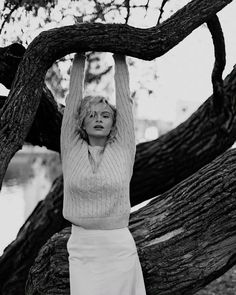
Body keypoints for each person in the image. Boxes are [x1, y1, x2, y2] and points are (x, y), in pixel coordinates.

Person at [60, 52, 146, 295]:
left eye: (105, 115)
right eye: (92, 115)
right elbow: (73, 98)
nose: (99, 119)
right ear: (82, 123)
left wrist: (119, 56)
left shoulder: (123, 147)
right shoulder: (72, 147)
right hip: (82, 248)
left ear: (113, 123)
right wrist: (79, 56)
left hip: (118, 246)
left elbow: (125, 102)